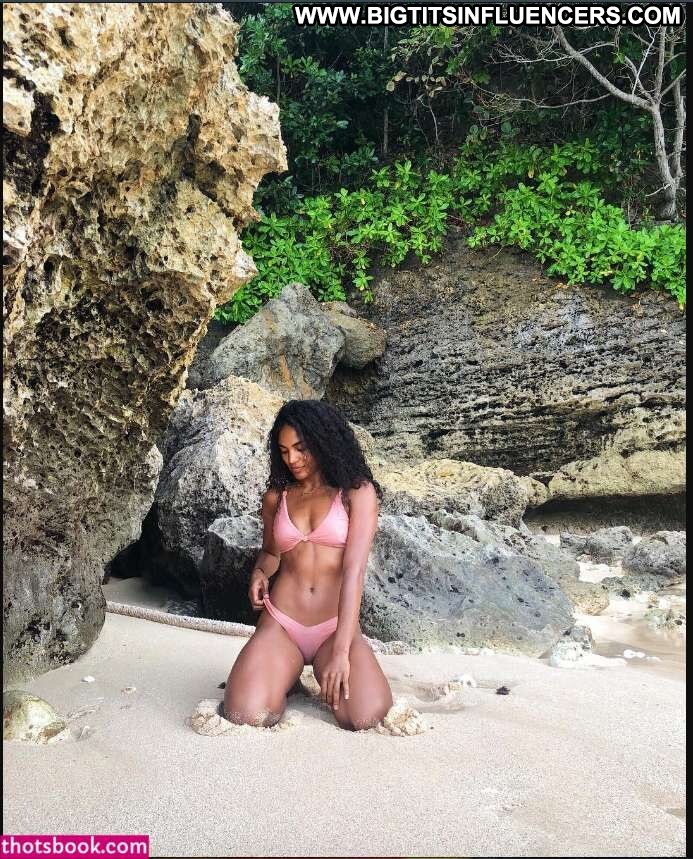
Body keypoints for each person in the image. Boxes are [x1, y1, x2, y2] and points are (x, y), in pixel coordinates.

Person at [223, 399, 393, 730]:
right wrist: (259, 573)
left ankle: (317, 667)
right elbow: (271, 554)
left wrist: (342, 652)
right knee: (245, 714)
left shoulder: (356, 493)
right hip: (282, 624)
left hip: (335, 627)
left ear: (323, 440)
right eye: (284, 451)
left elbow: (354, 571)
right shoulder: (277, 497)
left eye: (301, 449)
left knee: (367, 716)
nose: (292, 459)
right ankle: (285, 676)